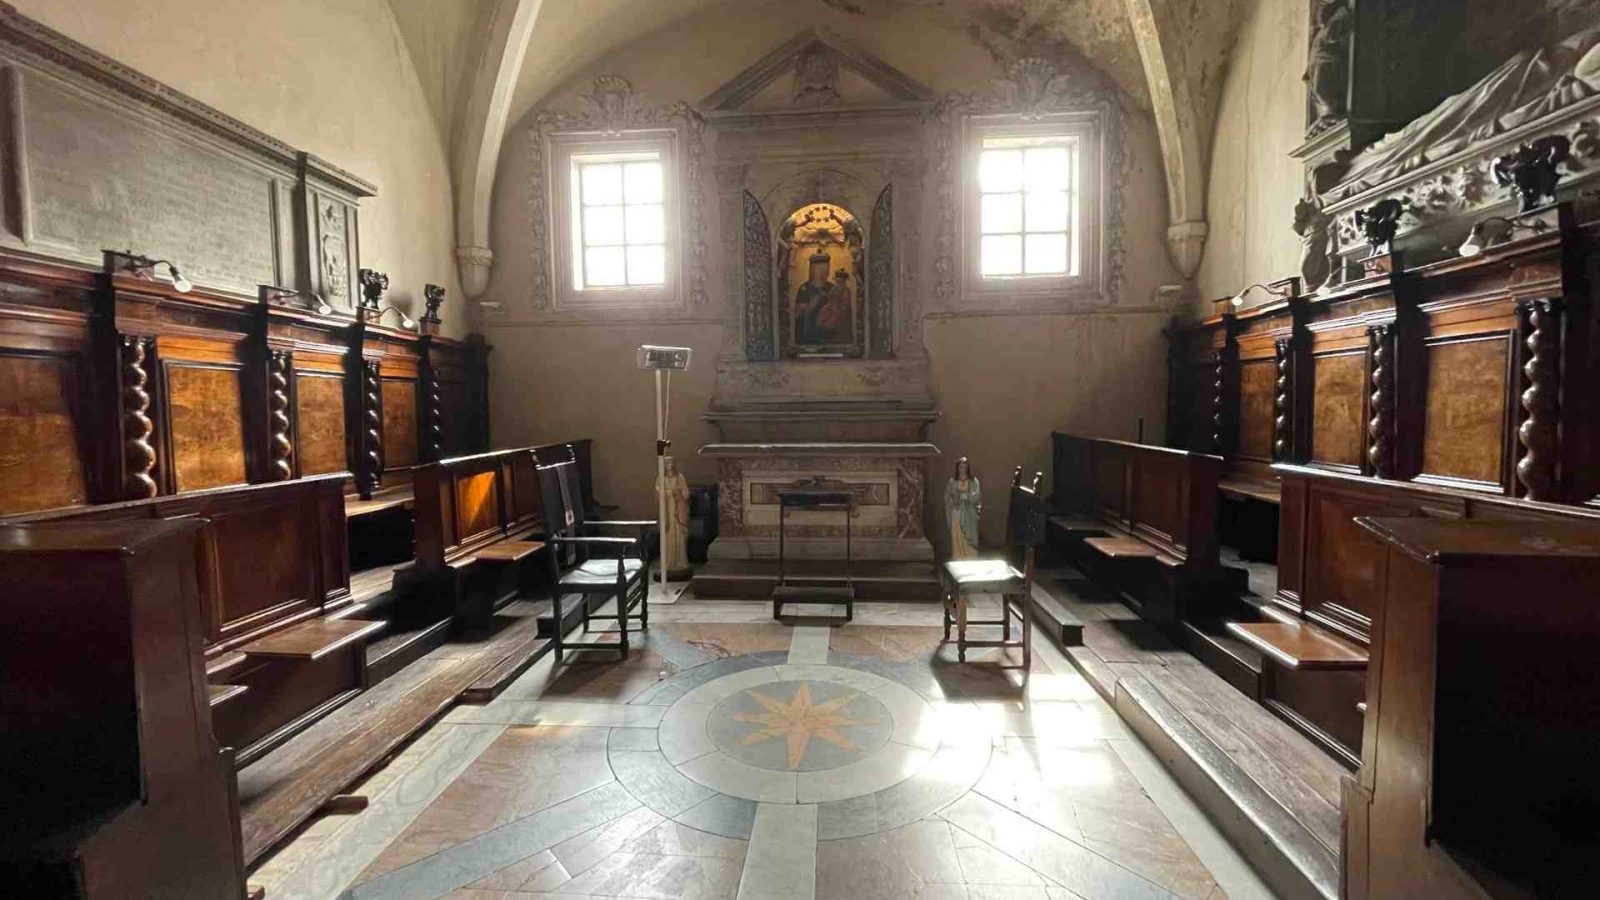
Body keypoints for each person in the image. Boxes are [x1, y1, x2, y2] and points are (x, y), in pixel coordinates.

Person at [656, 455, 692, 579]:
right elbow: (657, 493)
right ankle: (668, 563)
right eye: (666, 463)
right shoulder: (660, 478)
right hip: (666, 512)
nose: (668, 465)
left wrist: (679, 493)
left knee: (679, 536)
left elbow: (686, 493)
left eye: (670, 463)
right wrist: (668, 493)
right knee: (667, 537)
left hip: (678, 512)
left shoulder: (679, 477)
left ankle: (680, 563)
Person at [944, 457, 981, 560]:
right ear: (957, 468)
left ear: (968, 469)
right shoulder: (952, 481)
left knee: (968, 537)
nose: (963, 469)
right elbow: (947, 497)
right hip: (957, 512)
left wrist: (967, 497)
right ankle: (958, 557)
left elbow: (977, 496)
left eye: (965, 467)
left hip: (969, 515)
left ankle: (970, 558)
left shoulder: (974, 482)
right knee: (957, 536)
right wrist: (955, 499)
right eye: (961, 467)